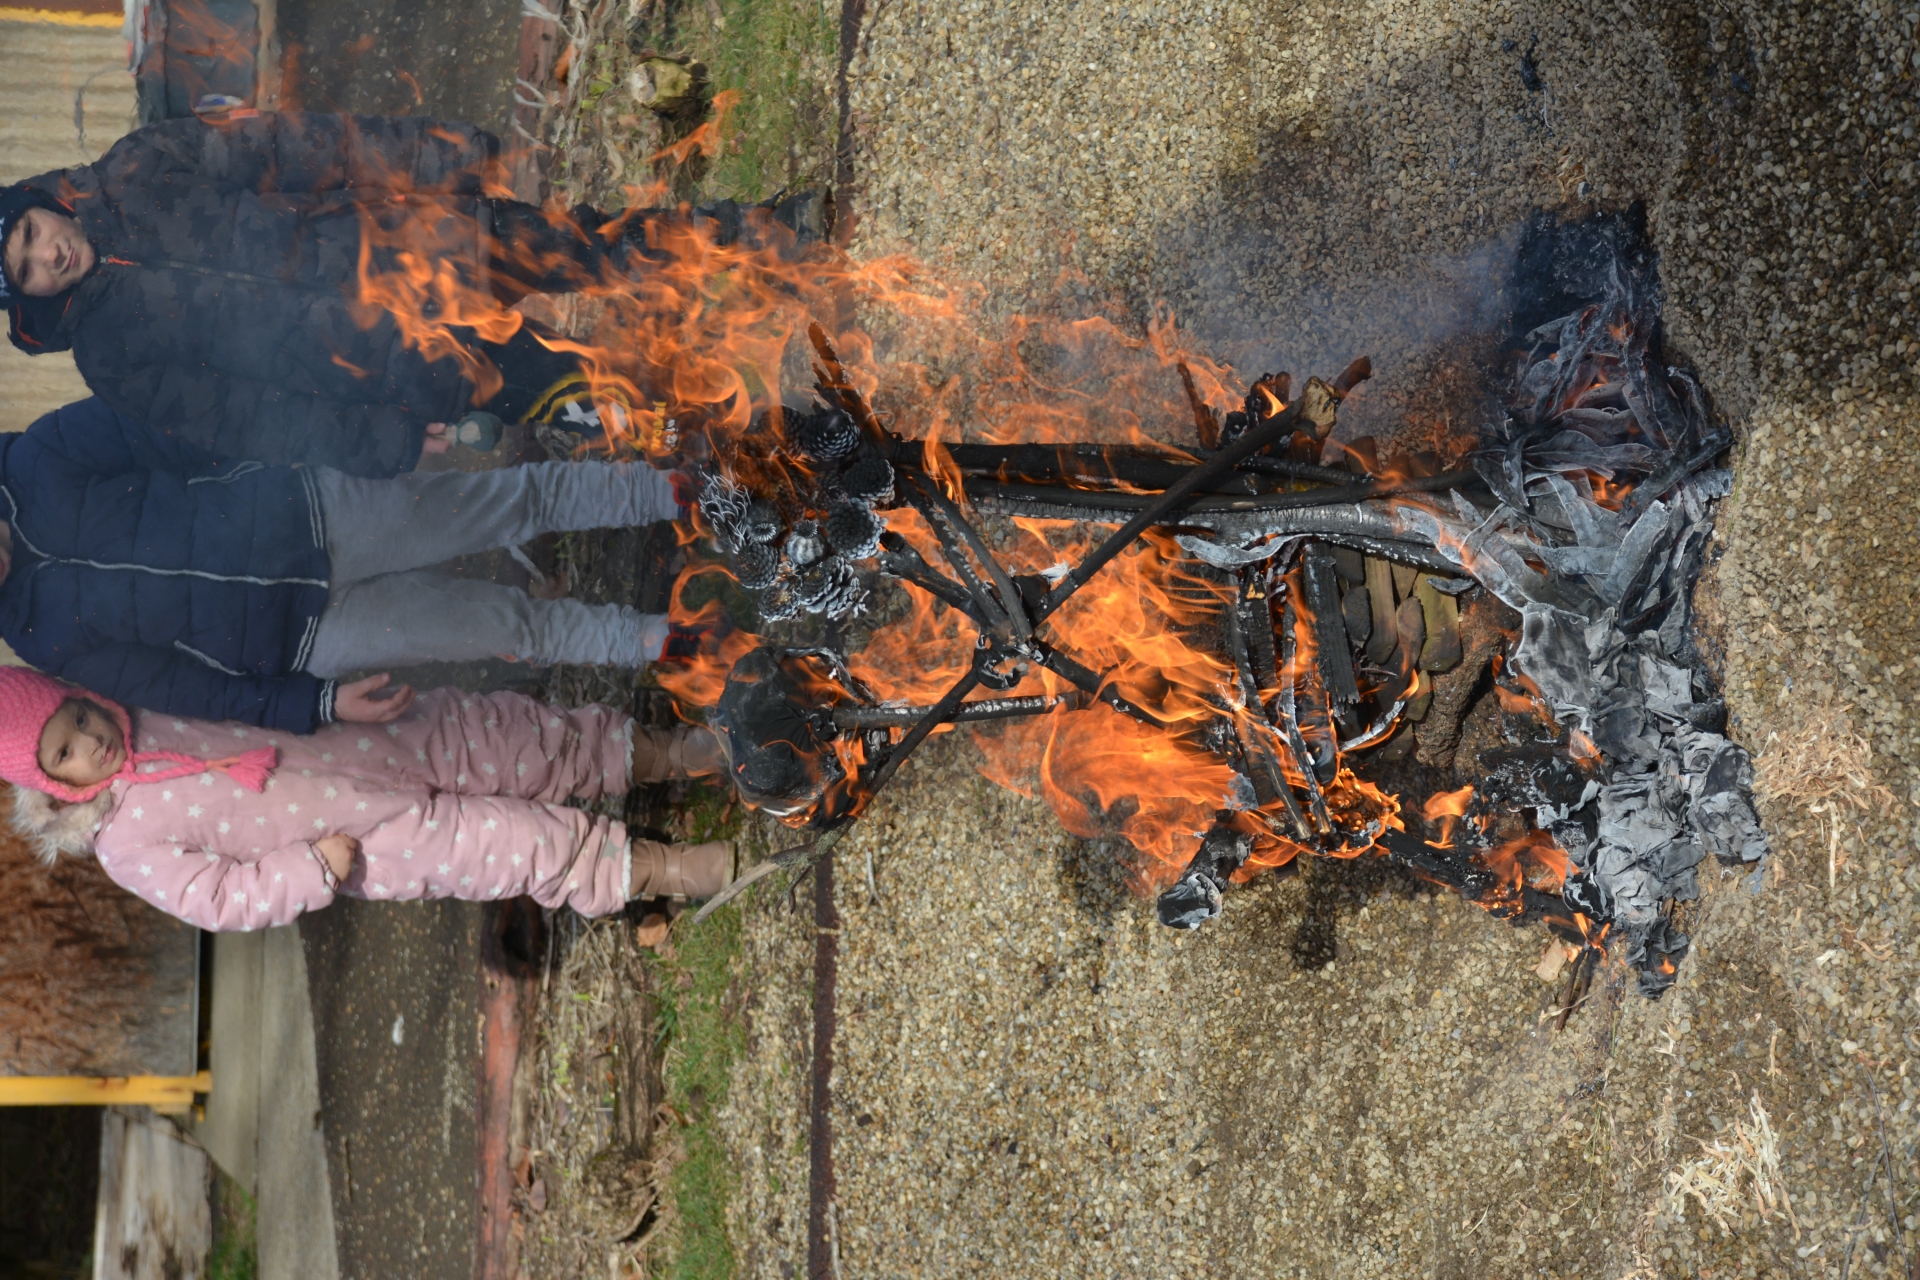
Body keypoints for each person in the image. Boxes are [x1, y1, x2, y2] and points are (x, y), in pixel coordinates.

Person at [0, 111, 818, 476]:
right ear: (24, 300)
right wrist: (374, 442)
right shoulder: (110, 359)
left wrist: (432, 157)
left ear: (35, 202)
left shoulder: (138, 166)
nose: (48, 254)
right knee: (585, 394)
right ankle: (768, 433)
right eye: (26, 269)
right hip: (396, 363)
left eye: (30, 232)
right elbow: (244, 418)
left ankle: (764, 238)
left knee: (592, 248)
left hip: (416, 245)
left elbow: (300, 145)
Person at [0, 397, 689, 733]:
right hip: (311, 637)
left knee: (511, 502)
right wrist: (316, 702)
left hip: (316, 510)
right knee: (509, 629)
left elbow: (196, 419)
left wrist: (355, 436)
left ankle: (673, 492)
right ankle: (661, 642)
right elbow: (178, 687)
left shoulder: (41, 459)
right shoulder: (38, 636)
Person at [0, 665, 735, 929]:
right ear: (49, 784)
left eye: (79, 718)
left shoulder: (151, 706)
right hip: (373, 843)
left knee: (523, 739)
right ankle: (667, 870)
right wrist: (311, 870)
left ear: (83, 697)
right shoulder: (126, 846)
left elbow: (242, 686)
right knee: (519, 847)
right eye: (64, 753)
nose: (89, 742)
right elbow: (217, 898)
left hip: (382, 741)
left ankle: (661, 755)